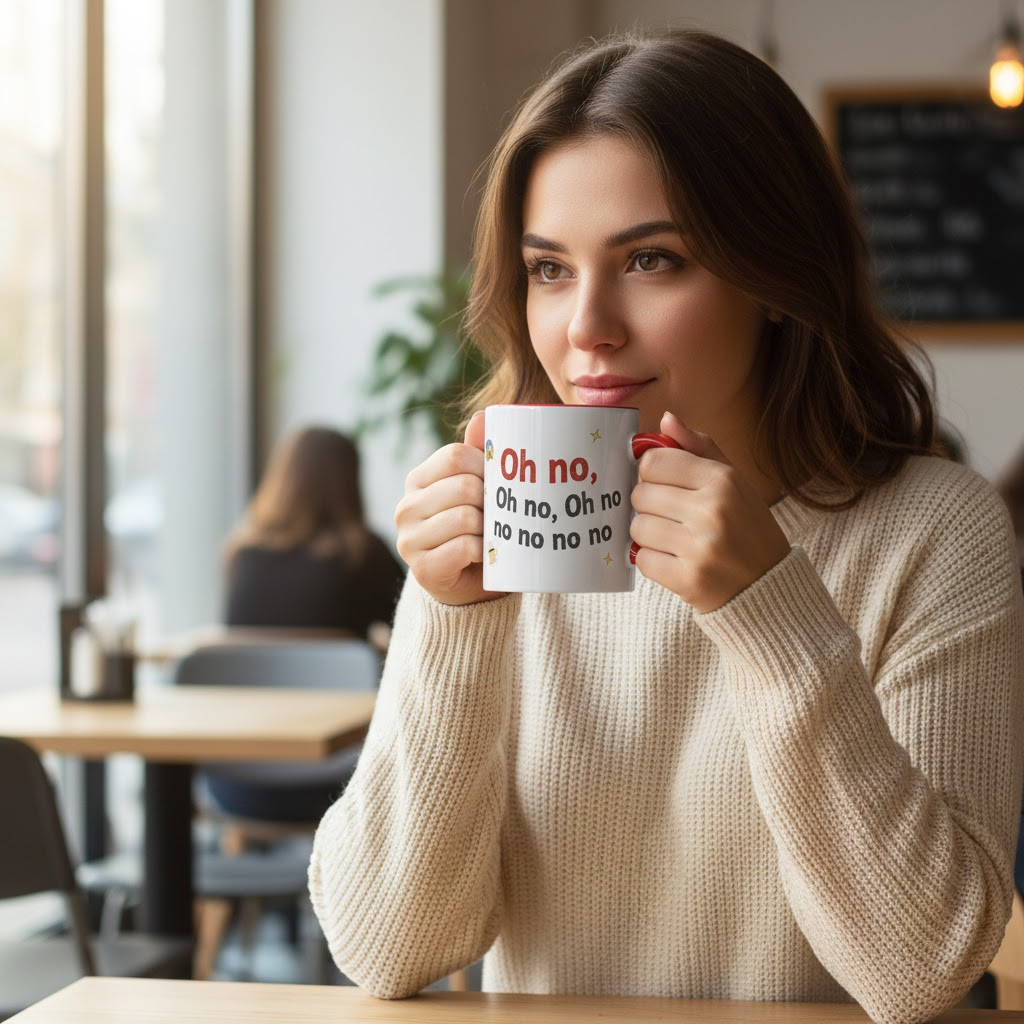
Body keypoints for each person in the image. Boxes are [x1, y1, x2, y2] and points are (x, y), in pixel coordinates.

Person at [308, 30, 1024, 1023]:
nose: (587, 325)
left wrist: (770, 612)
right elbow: (388, 947)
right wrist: (452, 618)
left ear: (773, 277)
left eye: (652, 259)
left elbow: (917, 974)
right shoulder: (513, 525)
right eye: (549, 269)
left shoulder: (935, 532)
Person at [212, 425, 405, 821]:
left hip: (233, 779)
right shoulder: (362, 554)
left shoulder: (241, 554)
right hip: (336, 781)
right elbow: (418, 631)